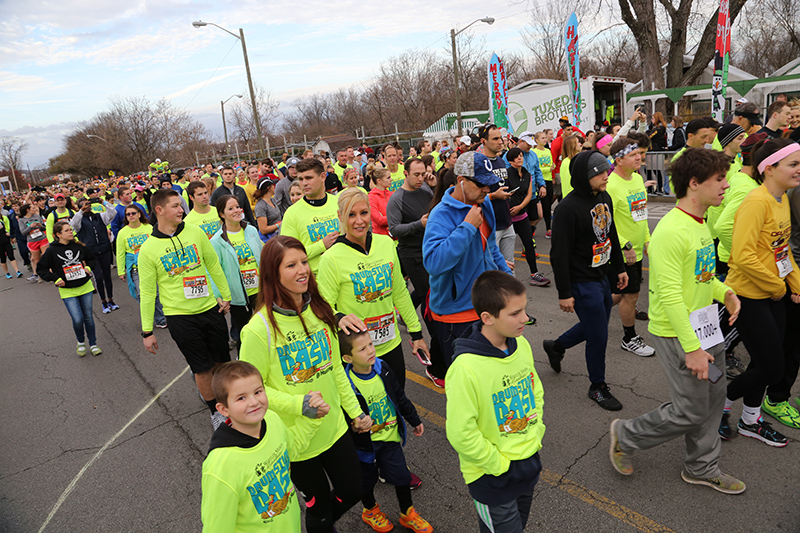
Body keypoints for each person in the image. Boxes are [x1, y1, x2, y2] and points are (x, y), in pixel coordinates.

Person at [609, 147, 746, 495]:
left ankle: (701, 467)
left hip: (705, 327)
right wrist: (693, 349)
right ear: (694, 184)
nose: (727, 186)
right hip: (678, 334)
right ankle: (626, 435)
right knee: (689, 410)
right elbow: (669, 296)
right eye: (719, 180)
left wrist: (723, 291)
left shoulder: (701, 223)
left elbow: (701, 275)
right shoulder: (672, 231)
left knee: (715, 397)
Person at [239, 235, 370, 533]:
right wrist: (300, 405)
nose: (303, 270)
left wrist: (354, 413)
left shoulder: (321, 311)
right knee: (319, 506)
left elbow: (335, 369)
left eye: (304, 263)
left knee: (353, 490)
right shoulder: (258, 330)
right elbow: (251, 393)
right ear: (273, 273)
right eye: (291, 265)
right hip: (295, 440)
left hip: (334, 427)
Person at [445, 271, 544, 533]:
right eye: (514, 313)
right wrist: (497, 464)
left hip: (527, 463)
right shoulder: (465, 368)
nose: (525, 318)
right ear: (487, 318)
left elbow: (535, 391)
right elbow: (461, 432)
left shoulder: (521, 345)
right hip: (493, 476)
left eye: (524, 309)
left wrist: (536, 432)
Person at [720, 138, 800, 444]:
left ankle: (749, 422)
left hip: (773, 295)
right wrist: (776, 285)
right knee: (772, 368)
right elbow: (741, 255)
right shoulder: (756, 201)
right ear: (769, 168)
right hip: (749, 296)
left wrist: (795, 283)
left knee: (762, 362)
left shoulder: (781, 200)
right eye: (792, 164)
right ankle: (720, 403)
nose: (798, 170)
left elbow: (782, 250)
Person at [138, 189, 233, 430]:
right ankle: (216, 413)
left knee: (222, 363)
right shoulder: (148, 249)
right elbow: (148, 292)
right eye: (175, 206)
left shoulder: (195, 232)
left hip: (210, 309)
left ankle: (227, 402)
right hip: (180, 317)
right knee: (201, 367)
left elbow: (212, 264)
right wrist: (147, 331)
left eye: (181, 205)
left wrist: (225, 295)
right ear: (159, 210)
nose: (181, 209)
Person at [318, 187, 429, 390]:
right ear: (340, 216)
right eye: (351, 215)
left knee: (396, 400)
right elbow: (322, 307)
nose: (359, 221)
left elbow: (400, 293)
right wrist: (339, 317)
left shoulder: (386, 243)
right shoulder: (331, 258)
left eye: (363, 213)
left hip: (391, 343)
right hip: (358, 352)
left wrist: (416, 333)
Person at [543, 150, 629, 410]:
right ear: (585, 176)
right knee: (598, 336)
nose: (607, 175)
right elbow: (558, 255)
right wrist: (564, 293)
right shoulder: (567, 209)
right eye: (600, 173)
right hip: (581, 282)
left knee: (597, 324)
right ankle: (597, 386)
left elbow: (610, 233)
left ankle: (556, 346)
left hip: (600, 275)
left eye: (607, 170)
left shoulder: (603, 196)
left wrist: (620, 268)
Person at [423, 152, 514, 386]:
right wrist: (466, 227)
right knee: (465, 385)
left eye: (489, 184)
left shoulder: (484, 205)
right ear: (461, 181)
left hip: (486, 307)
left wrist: (508, 278)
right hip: (455, 315)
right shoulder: (439, 216)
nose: (487, 189)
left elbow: (491, 248)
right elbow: (434, 264)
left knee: (490, 380)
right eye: (481, 184)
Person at [201, 361, 324, 532]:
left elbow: (292, 449)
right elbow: (217, 528)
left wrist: (312, 417)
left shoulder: (271, 419)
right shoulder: (220, 467)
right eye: (241, 398)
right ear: (223, 409)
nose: (254, 402)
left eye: (258, 392)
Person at [340, 330, 433, 533]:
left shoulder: (383, 368)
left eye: (371, 345)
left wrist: (414, 419)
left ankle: (407, 513)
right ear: (348, 358)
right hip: (364, 447)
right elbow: (342, 418)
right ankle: (370, 510)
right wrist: (354, 427)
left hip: (389, 439)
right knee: (366, 482)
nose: (370, 351)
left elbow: (399, 397)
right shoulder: (346, 384)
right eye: (362, 349)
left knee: (402, 476)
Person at [605, 137, 656, 357]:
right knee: (631, 295)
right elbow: (607, 223)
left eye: (639, 154)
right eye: (633, 155)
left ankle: (595, 309)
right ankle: (629, 338)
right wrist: (625, 245)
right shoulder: (610, 186)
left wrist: (646, 239)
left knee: (623, 292)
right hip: (622, 252)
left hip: (637, 248)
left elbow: (640, 214)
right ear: (618, 160)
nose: (640, 157)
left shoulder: (636, 179)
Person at [37, 220, 102, 356]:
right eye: (67, 230)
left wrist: (88, 268)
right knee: (77, 319)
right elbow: (41, 269)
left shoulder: (79, 246)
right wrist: (55, 278)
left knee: (88, 317)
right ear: (58, 234)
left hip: (85, 286)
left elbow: (92, 259)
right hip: (67, 290)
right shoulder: (51, 251)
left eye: (71, 230)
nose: (71, 232)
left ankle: (93, 343)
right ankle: (80, 342)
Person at [210, 195, 264, 353]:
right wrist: (219, 296)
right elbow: (214, 271)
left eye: (238, 207)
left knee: (267, 327)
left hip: (260, 290)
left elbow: (262, 257)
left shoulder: (251, 230)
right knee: (244, 333)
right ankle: (244, 362)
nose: (237, 211)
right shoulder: (217, 241)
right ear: (222, 214)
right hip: (238, 296)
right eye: (231, 208)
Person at [280, 158, 340, 275]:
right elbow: (288, 254)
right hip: (313, 279)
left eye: (309, 178)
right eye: (300, 179)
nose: (304, 183)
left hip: (343, 273)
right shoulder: (292, 213)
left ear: (323, 177)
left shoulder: (339, 203)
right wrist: (321, 245)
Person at [115, 204, 167, 329]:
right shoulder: (123, 233)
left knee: (157, 294)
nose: (131, 216)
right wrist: (121, 271)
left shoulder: (149, 228)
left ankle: (161, 319)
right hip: (135, 268)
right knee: (142, 294)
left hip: (153, 265)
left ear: (139, 214)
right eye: (128, 214)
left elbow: (158, 245)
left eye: (133, 213)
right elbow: (120, 253)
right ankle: (150, 318)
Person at [506, 146, 550, 287]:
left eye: (521, 156)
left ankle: (534, 274)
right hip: (509, 219)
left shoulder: (527, 174)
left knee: (529, 245)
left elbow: (529, 194)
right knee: (507, 251)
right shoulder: (506, 174)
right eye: (517, 156)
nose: (520, 158)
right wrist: (512, 208)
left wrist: (520, 207)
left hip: (522, 216)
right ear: (510, 161)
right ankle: (506, 278)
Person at [70, 198, 118, 312]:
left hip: (105, 249)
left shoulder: (99, 216)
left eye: (88, 205)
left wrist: (103, 202)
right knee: (98, 277)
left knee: (107, 276)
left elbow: (113, 212)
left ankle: (111, 299)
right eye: (83, 205)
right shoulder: (79, 220)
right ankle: (103, 302)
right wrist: (81, 211)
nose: (86, 207)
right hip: (91, 253)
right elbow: (73, 224)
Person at [532, 132, 555, 238]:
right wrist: (547, 169)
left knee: (549, 204)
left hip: (549, 179)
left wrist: (552, 168)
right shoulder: (534, 152)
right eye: (542, 138)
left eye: (546, 138)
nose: (545, 140)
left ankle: (547, 227)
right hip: (540, 181)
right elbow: (535, 168)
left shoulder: (548, 151)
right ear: (536, 140)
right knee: (545, 206)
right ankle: (548, 229)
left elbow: (551, 163)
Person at [18, 203, 48, 282]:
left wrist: (40, 226)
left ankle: (49, 273)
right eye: (33, 208)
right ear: (28, 210)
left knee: (46, 256)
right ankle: (39, 275)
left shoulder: (37, 216)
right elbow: (23, 232)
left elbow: (45, 227)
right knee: (36, 259)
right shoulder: (21, 220)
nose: (35, 209)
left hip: (42, 238)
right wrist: (30, 227)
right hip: (32, 241)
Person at [253, 177, 282, 242]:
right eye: (273, 185)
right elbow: (263, 230)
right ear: (269, 188)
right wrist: (279, 225)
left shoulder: (272, 200)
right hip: (270, 240)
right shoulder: (260, 206)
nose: (275, 187)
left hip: (278, 236)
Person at [367, 169, 393, 237]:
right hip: (380, 237)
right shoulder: (371, 197)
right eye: (388, 177)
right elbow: (379, 220)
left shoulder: (391, 194)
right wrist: (397, 218)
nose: (391, 179)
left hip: (396, 236)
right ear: (379, 181)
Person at [0, 210, 22, 278]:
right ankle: (7, 273)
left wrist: (9, 234)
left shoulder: (3, 218)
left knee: (11, 255)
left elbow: (8, 226)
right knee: (3, 258)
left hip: (5, 239)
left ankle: (17, 271)